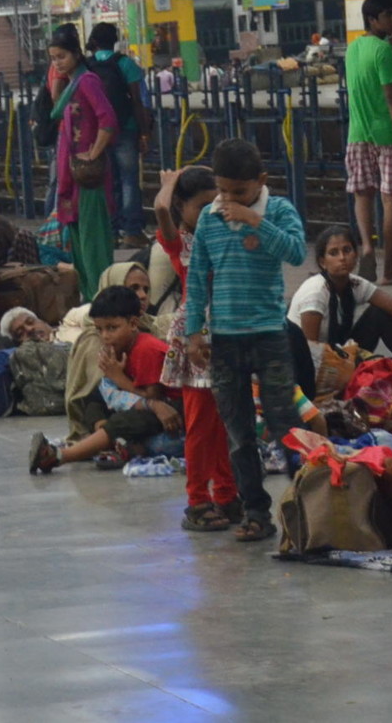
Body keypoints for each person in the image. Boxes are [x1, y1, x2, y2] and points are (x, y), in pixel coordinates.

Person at [183, 138, 308, 543]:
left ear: (261, 181)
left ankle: (306, 505)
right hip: (225, 340)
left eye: (239, 192)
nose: (228, 199)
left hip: (269, 336)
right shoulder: (209, 220)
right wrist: (193, 332)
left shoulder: (279, 210)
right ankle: (256, 512)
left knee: (284, 423)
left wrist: (256, 221)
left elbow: (294, 252)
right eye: (222, 191)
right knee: (238, 433)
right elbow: (197, 277)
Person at [150, 165, 236, 531]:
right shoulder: (180, 242)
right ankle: (197, 499)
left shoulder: (222, 235)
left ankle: (228, 495)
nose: (211, 213)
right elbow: (159, 209)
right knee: (201, 425)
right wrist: (170, 184)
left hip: (225, 334)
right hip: (195, 339)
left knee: (223, 424)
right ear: (182, 207)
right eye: (202, 206)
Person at [28, 283, 180, 473]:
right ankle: (109, 440)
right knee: (93, 399)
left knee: (127, 421)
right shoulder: (121, 347)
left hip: (171, 409)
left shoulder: (146, 349)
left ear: (133, 324)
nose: (105, 336)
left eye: (112, 328)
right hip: (144, 403)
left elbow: (154, 398)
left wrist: (118, 378)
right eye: (100, 329)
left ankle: (58, 456)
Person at [287, 224, 392, 398]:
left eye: (347, 250)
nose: (342, 258)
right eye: (334, 253)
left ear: (356, 255)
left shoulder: (356, 284)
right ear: (322, 262)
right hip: (309, 366)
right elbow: (310, 351)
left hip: (338, 354)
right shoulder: (316, 293)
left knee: (380, 313)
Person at [345, 0, 392, 286]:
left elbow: (367, 82)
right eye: (389, 15)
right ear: (373, 19)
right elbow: (391, 99)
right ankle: (386, 271)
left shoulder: (352, 48)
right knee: (391, 200)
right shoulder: (383, 51)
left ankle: (367, 246)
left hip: (357, 133)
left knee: (363, 194)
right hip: (386, 135)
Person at [46, 23, 118, 300]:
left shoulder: (87, 81)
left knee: (93, 243)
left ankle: (104, 300)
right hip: (71, 175)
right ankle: (90, 301)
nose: (58, 63)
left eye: (62, 56)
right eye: (53, 58)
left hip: (87, 176)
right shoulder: (70, 84)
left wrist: (94, 152)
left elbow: (107, 119)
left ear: (76, 54)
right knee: (78, 243)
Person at [87, 23, 153, 246]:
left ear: (94, 42)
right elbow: (138, 100)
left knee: (107, 181)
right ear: (114, 41)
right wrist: (144, 133)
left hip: (98, 132)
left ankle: (111, 232)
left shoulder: (87, 66)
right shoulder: (126, 64)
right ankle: (132, 232)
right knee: (129, 181)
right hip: (126, 129)